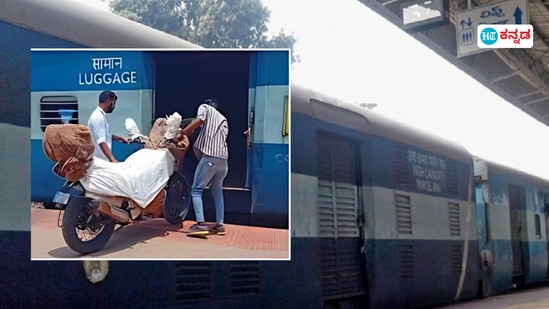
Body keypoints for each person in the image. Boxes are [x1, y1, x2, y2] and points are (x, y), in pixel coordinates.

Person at [181, 99, 229, 234]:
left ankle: (201, 224)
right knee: (217, 190)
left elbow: (199, 120)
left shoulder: (205, 108)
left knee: (196, 190)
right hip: (223, 161)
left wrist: (183, 132)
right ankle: (220, 225)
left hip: (210, 158)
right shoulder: (223, 119)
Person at [87, 90, 127, 163]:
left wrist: (119, 138)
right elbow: (101, 140)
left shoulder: (101, 115)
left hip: (102, 160)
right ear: (109, 101)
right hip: (99, 161)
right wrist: (112, 159)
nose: (114, 106)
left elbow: (104, 135)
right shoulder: (98, 117)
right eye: (114, 103)